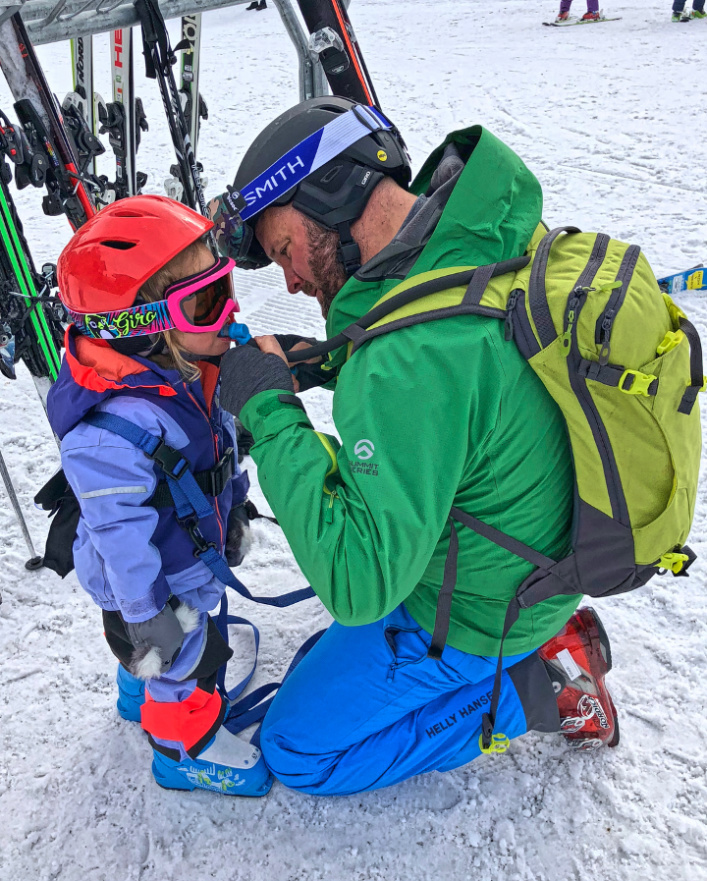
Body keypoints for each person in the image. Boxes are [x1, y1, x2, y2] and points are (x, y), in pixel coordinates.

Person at [211, 97, 620, 796]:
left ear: (331, 191)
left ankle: (537, 686)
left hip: (473, 609)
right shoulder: (478, 234)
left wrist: (272, 412)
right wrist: (331, 358)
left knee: (298, 750)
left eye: (283, 249)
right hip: (537, 556)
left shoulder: (404, 366)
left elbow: (358, 587)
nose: (289, 281)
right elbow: (460, 359)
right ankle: (535, 640)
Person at [47, 195, 272, 798]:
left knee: (155, 642)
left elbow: (222, 445)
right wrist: (149, 621)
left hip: (186, 545)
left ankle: (134, 688)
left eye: (223, 289)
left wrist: (238, 502)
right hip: (156, 579)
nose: (227, 314)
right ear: (137, 330)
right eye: (204, 304)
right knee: (180, 655)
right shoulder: (111, 439)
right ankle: (182, 749)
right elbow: (122, 544)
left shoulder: (189, 371)